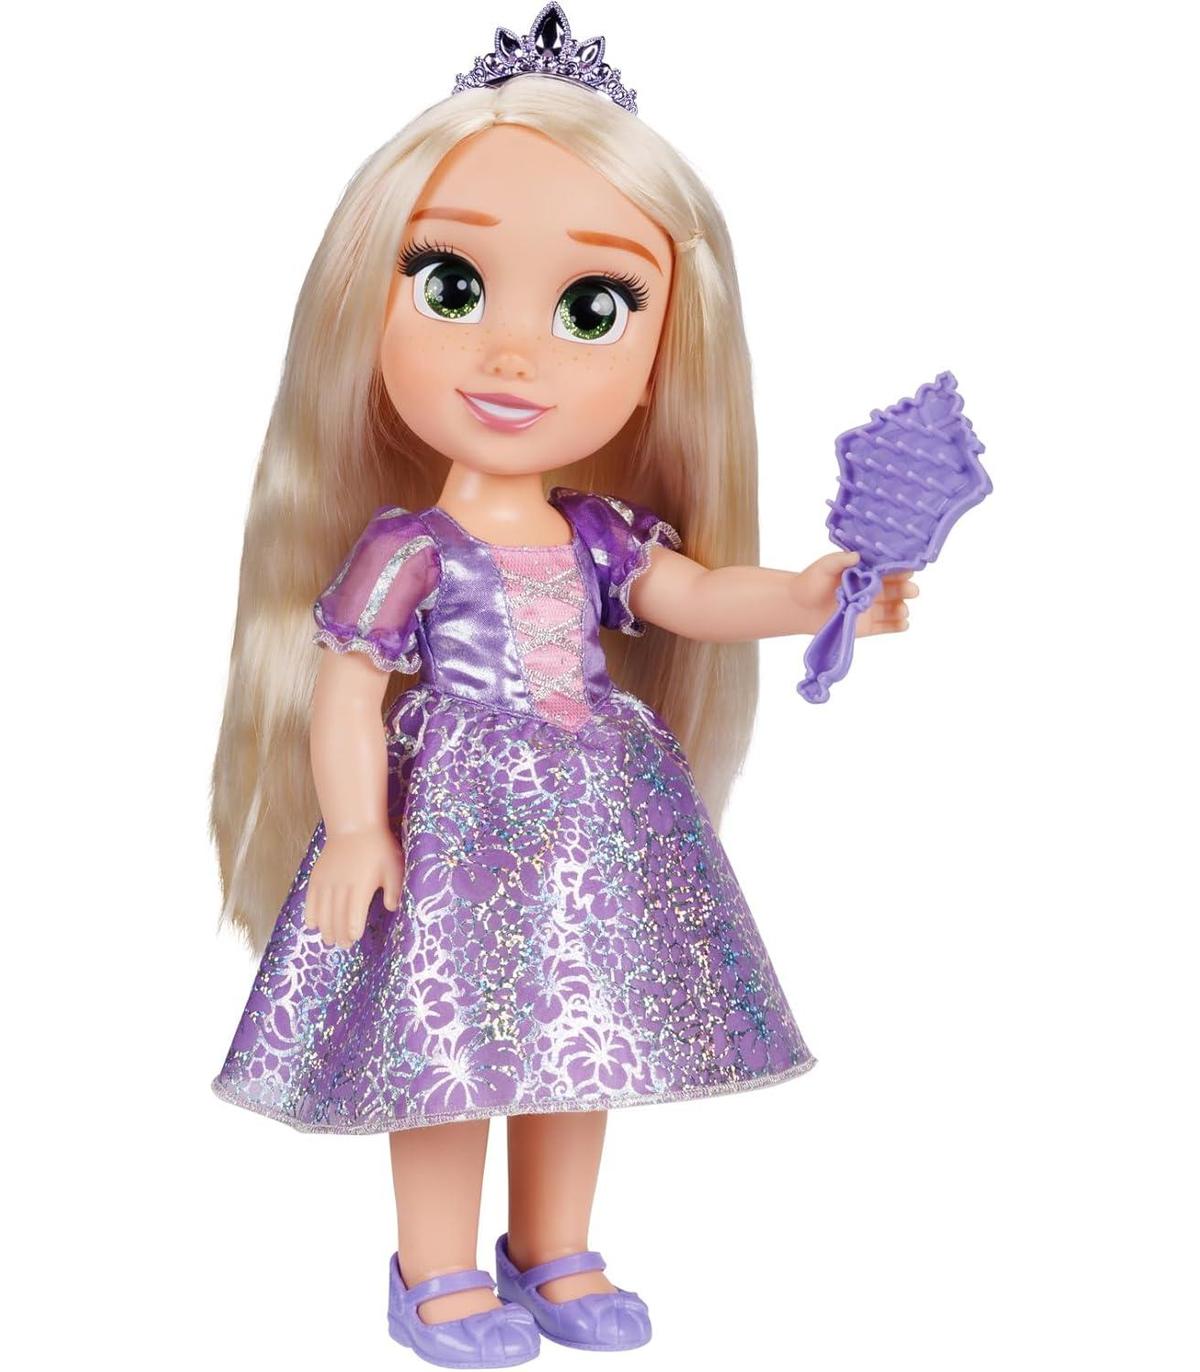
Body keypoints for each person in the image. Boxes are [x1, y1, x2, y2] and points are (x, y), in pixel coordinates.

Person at [210, 8, 915, 1365]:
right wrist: (355, 828)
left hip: (591, 822)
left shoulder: (596, 533)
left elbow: (695, 598)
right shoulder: (409, 547)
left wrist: (815, 594)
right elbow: (345, 689)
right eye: (452, 287)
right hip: (453, 826)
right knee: (442, 1049)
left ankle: (554, 1247)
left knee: (579, 1031)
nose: (512, 356)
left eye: (593, 309)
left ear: (660, 359)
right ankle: (435, 1270)